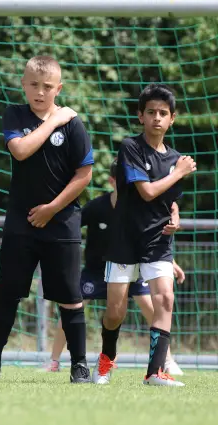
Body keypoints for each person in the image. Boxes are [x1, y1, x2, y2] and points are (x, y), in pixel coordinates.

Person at [0, 55, 94, 383]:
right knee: (7, 293)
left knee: (70, 297)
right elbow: (21, 150)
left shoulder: (74, 124)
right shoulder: (15, 115)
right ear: (23, 85)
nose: (40, 92)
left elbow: (84, 175)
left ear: (59, 88)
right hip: (21, 221)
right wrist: (53, 121)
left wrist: (52, 208)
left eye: (47, 87)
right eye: (34, 85)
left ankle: (79, 365)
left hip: (62, 221)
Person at [93, 83, 195, 387]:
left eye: (163, 113)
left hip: (158, 241)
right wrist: (178, 173)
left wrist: (175, 217)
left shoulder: (175, 158)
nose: (157, 118)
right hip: (125, 239)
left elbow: (169, 201)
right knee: (115, 311)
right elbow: (148, 192)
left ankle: (155, 372)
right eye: (151, 112)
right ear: (141, 116)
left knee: (165, 298)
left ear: (172, 118)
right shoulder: (131, 147)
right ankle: (106, 361)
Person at [43, 160, 185, 376]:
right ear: (112, 182)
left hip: (132, 268)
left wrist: (170, 262)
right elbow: (72, 226)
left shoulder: (141, 209)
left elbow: (155, 235)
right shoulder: (97, 207)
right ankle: (54, 361)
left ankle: (167, 360)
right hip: (96, 271)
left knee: (153, 308)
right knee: (72, 307)